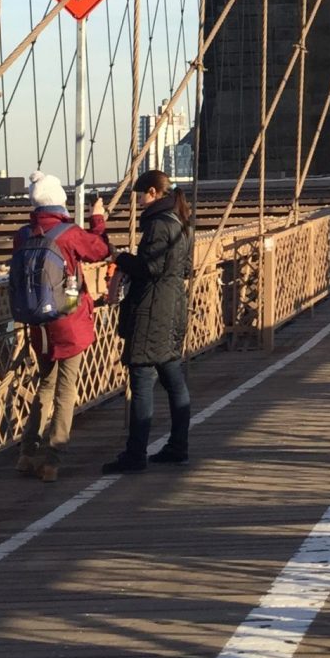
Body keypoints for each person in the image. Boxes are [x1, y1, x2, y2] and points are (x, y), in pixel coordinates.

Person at [10, 172, 112, 483]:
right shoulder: (69, 233)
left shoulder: (23, 235)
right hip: (68, 322)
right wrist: (98, 221)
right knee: (66, 392)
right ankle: (53, 461)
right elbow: (101, 251)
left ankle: (26, 455)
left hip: (37, 325)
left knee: (45, 386)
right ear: (59, 202)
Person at [103, 170, 194, 473]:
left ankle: (135, 455)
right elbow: (184, 268)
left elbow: (150, 267)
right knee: (173, 379)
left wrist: (120, 258)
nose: (138, 202)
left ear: (154, 192)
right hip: (173, 307)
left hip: (151, 310)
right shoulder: (182, 221)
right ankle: (178, 446)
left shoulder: (157, 225)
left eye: (140, 195)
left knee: (141, 381)